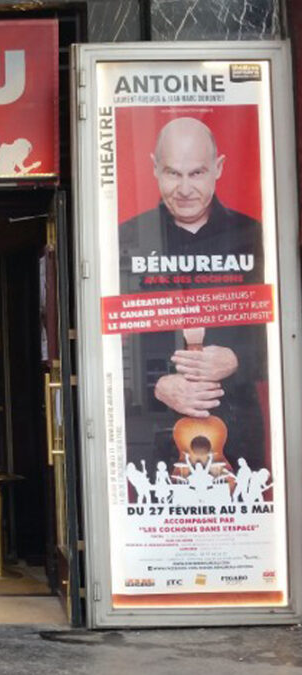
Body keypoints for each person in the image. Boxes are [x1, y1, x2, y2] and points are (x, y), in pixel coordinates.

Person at [118, 116, 266, 473]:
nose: (184, 189)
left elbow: (284, 334)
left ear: (218, 168)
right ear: (154, 168)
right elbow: (112, 340)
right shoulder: (126, 236)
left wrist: (239, 359)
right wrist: (158, 385)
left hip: (240, 429)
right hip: (158, 427)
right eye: (173, 173)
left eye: (196, 173)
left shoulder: (255, 235)